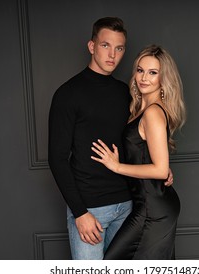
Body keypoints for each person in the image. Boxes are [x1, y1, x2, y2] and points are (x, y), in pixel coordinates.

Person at [48, 18, 173, 260]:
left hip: (129, 207)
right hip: (90, 209)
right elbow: (57, 159)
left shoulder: (126, 93)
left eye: (119, 48)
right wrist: (79, 213)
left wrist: (162, 168)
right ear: (91, 46)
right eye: (105, 46)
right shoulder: (67, 94)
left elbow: (136, 141)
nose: (112, 55)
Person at [91, 44, 186, 259]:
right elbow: (152, 158)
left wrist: (116, 166)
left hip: (154, 210)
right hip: (149, 205)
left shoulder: (153, 112)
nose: (144, 77)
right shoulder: (141, 109)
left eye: (153, 73)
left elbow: (160, 170)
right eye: (140, 70)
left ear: (164, 79)